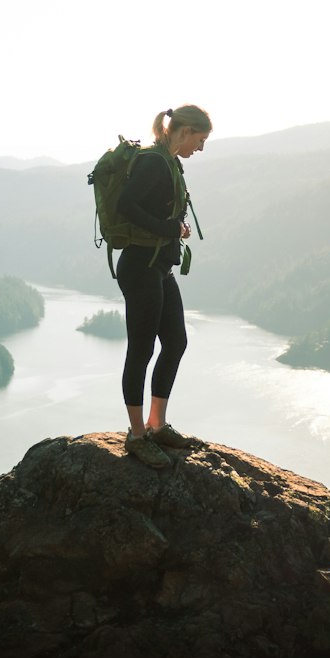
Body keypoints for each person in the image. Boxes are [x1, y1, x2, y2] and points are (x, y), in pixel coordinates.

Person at [116, 104, 212, 469]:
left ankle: (157, 425)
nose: (200, 149)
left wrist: (173, 230)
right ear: (185, 130)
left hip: (159, 266)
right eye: (200, 140)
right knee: (140, 350)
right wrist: (170, 229)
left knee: (176, 342)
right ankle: (137, 435)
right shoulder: (154, 162)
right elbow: (126, 205)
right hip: (140, 266)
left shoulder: (170, 162)